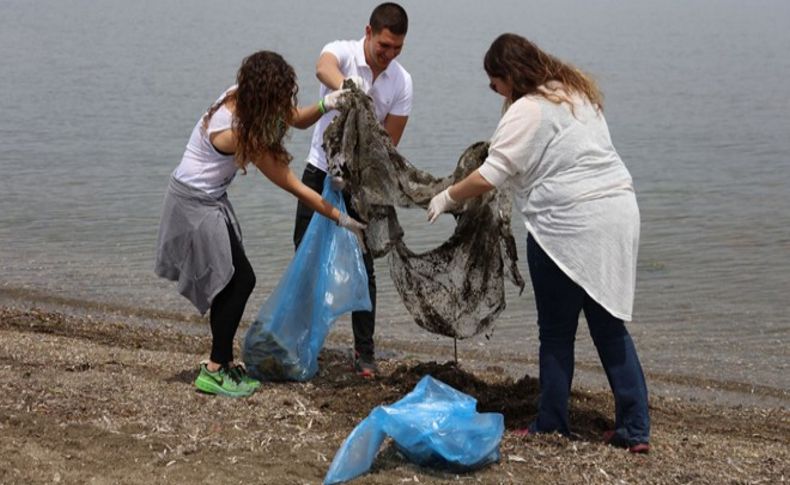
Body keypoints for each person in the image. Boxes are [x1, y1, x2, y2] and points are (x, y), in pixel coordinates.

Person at [427, 33, 650, 452]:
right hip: (618, 213)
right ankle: (635, 430)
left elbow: (491, 174)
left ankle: (551, 423)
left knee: (556, 331)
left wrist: (448, 195)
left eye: (494, 82)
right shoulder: (575, 94)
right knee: (609, 326)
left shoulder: (527, 109)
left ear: (508, 75)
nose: (494, 91)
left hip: (566, 224)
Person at [155, 51, 365, 398]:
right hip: (192, 203)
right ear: (265, 96)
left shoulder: (241, 94)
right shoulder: (238, 132)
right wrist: (342, 218)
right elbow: (294, 185)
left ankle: (219, 362)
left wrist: (329, 103)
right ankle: (214, 368)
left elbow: (295, 119)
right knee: (238, 281)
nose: (285, 103)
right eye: (280, 96)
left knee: (235, 280)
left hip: (207, 198)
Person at [293, 2, 413, 378]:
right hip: (318, 171)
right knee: (306, 256)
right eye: (383, 46)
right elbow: (322, 65)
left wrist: (361, 175)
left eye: (397, 48)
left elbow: (388, 144)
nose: (389, 55)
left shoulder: (401, 83)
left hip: (360, 185)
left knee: (364, 266)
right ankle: (299, 339)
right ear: (368, 32)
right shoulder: (344, 52)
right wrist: (348, 85)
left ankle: (364, 353)